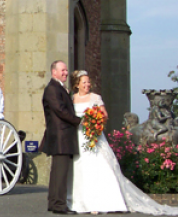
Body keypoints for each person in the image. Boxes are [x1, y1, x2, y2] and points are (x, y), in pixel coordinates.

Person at [68, 70, 178, 215]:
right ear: (77, 85)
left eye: (88, 82)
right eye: (84, 82)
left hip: (94, 136)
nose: (88, 84)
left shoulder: (95, 97)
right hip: (79, 136)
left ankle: (103, 201)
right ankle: (80, 201)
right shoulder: (72, 99)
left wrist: (94, 120)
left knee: (99, 167)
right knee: (80, 168)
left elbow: (104, 115)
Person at [41, 60, 81, 215]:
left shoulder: (59, 88)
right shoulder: (52, 89)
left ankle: (54, 202)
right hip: (61, 136)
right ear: (54, 72)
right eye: (62, 70)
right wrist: (79, 121)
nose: (65, 73)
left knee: (58, 172)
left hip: (61, 136)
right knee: (61, 172)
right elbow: (60, 110)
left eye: (66, 70)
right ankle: (59, 204)